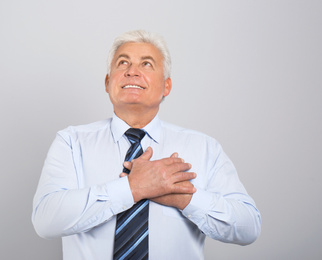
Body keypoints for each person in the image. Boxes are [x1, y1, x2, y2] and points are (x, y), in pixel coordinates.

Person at [32, 30, 261, 260]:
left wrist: (184, 198)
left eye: (147, 64)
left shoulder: (205, 148)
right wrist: (132, 189)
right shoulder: (71, 142)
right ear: (107, 82)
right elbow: (45, 220)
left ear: (166, 86)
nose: (132, 71)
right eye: (123, 63)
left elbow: (249, 226)